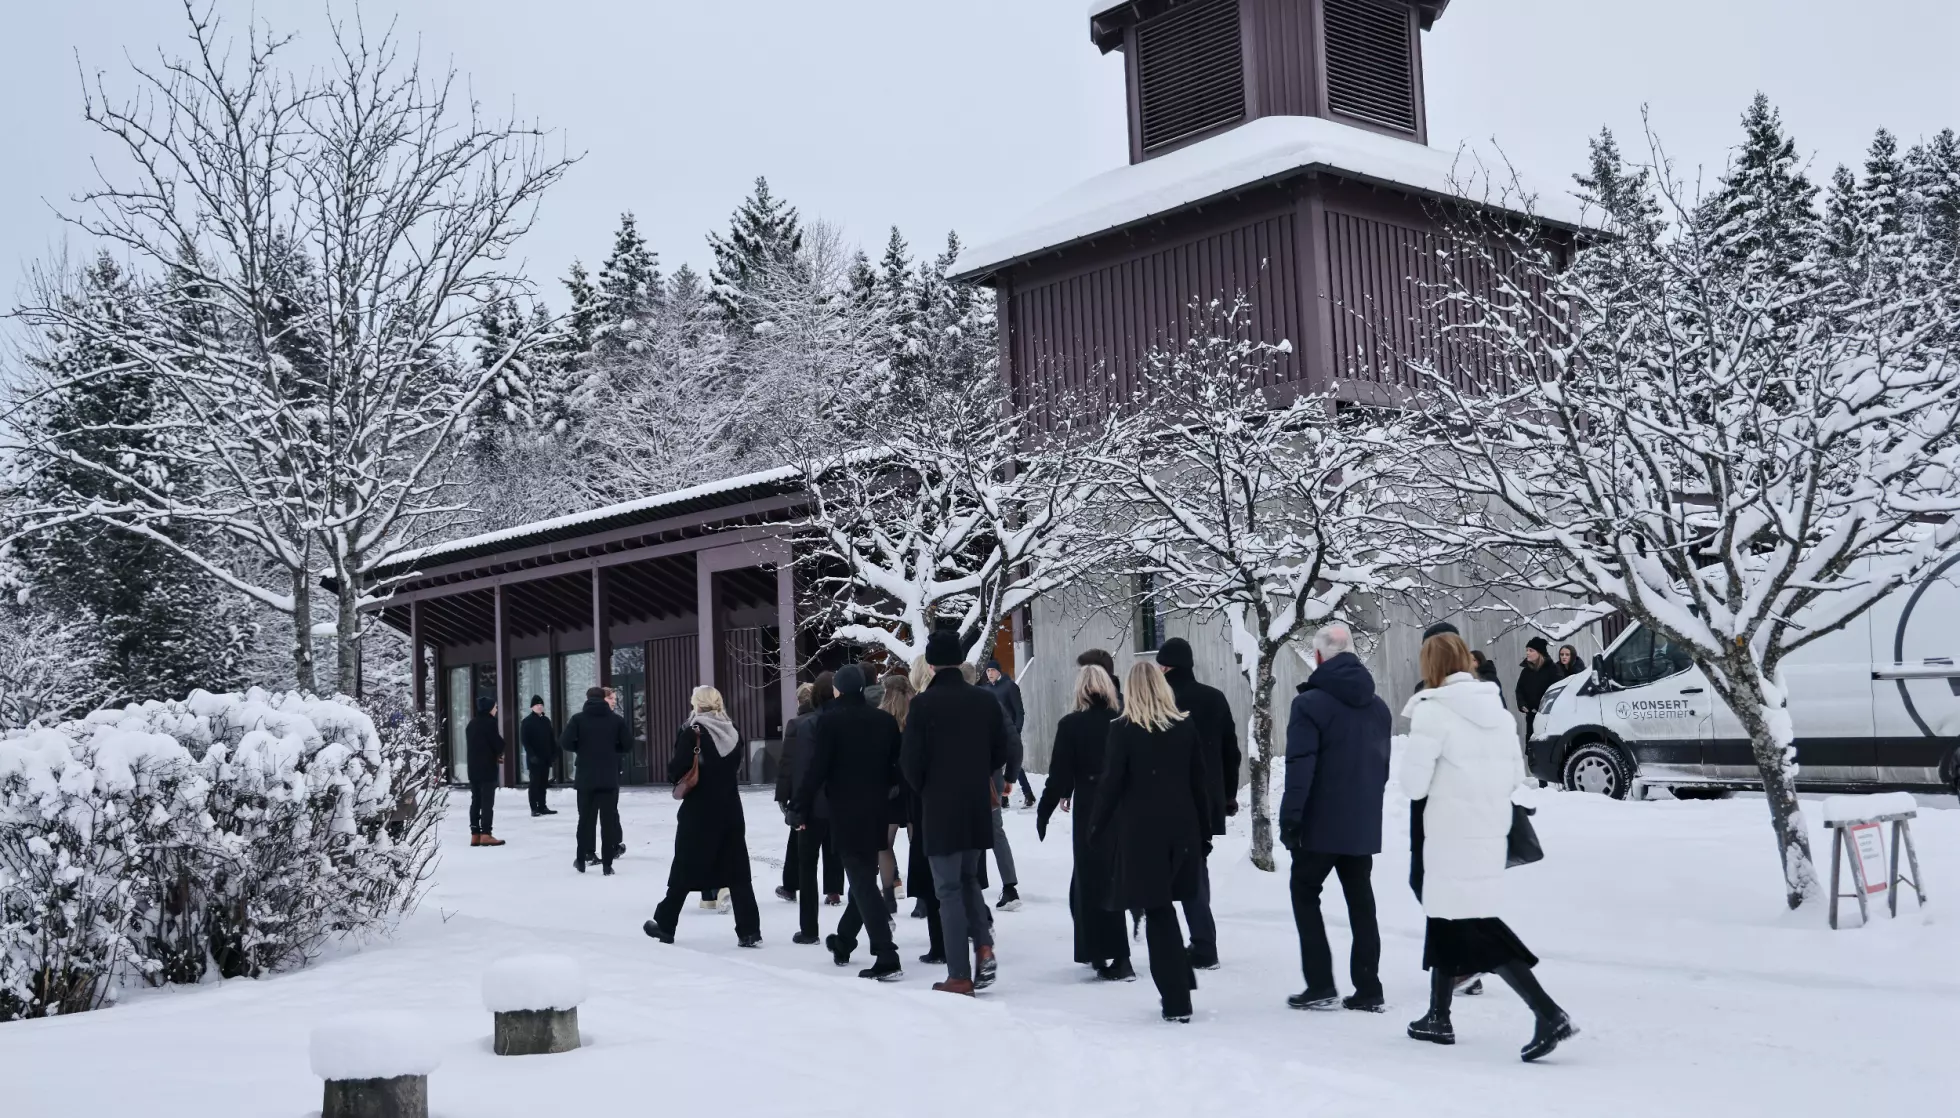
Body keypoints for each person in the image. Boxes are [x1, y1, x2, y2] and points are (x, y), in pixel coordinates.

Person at [1400, 633, 1578, 1062]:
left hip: (1445, 834)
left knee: (1474, 924)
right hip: (1485, 832)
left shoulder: (1432, 711)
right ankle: (1438, 1016)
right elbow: (1514, 776)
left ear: (1431, 666)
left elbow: (1413, 784)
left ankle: (1547, 1011)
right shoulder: (1496, 712)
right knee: (1448, 916)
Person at [1279, 623, 1391, 1012]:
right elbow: (1382, 768)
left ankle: (1321, 982)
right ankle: (1368, 986)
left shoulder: (1308, 704)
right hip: (1361, 822)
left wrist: (1291, 818)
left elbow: (1300, 766)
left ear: (1320, 657)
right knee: (1361, 902)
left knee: (1305, 893)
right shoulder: (1378, 707)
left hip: (1319, 824)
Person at [1091, 661, 1210, 1024]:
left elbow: (1112, 783)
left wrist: (1096, 827)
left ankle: (1175, 1000)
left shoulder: (1123, 731)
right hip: (1183, 828)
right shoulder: (1185, 726)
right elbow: (1198, 783)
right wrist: (1204, 832)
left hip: (1143, 833)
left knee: (1158, 912)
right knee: (1174, 904)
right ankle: (1181, 978)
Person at [901, 631, 1015, 995]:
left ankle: (959, 974)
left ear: (931, 664)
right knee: (968, 881)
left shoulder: (923, 705)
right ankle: (983, 945)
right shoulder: (983, 700)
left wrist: (928, 788)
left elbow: (910, 762)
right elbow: (1001, 750)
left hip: (940, 804)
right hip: (976, 803)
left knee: (947, 889)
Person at [793, 665, 906, 980]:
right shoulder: (883, 722)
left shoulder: (829, 722)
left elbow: (816, 769)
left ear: (837, 690)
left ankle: (887, 955)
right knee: (863, 878)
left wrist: (799, 806)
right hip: (877, 810)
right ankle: (844, 941)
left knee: (861, 880)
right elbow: (898, 765)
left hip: (845, 811)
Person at [1036, 663, 1132, 981]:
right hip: (1120, 805)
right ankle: (1111, 953)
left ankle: (1109, 954)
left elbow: (1060, 772)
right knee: (1108, 878)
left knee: (1092, 880)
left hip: (1091, 805)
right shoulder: (1123, 722)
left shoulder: (1071, 725)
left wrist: (1046, 808)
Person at [1152, 637, 1233, 970]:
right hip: (1207, 797)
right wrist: (1226, 795)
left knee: (1168, 874)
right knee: (1197, 869)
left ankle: (1189, 944)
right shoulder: (1213, 698)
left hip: (1169, 800)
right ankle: (1202, 939)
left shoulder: (1159, 700)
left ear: (1166, 666)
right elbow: (1231, 749)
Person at [782, 673, 845, 944]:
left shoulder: (803, 725)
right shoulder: (848, 722)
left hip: (813, 805)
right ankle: (836, 895)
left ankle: (809, 929)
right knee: (842, 857)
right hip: (843, 805)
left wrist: (794, 807)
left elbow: (796, 769)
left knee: (807, 865)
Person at [560, 686, 629, 873]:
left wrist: (581, 748)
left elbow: (565, 742)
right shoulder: (616, 720)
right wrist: (613, 751)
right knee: (608, 821)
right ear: (604, 699)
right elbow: (628, 745)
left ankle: (581, 860)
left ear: (588, 699)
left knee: (585, 820)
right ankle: (607, 865)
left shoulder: (578, 720)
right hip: (608, 777)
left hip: (586, 777)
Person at [877, 672, 915, 911]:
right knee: (918, 842)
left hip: (889, 787)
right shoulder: (917, 717)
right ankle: (923, 899)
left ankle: (889, 895)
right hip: (913, 785)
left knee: (884, 843)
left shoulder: (879, 719)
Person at [774, 682, 816, 903]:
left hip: (801, 790)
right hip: (826, 790)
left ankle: (791, 885)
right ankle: (834, 888)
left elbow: (787, 763)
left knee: (797, 838)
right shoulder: (826, 720)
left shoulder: (796, 724)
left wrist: (783, 794)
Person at [983, 658, 1035, 809]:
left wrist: (1016, 731)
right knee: (1001, 765)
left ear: (998, 671)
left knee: (1013, 764)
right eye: (987, 671)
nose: (990, 673)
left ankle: (1027, 794)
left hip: (1009, 732)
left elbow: (1019, 711)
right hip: (993, 734)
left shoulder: (1009, 686)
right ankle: (1004, 798)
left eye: (992, 670)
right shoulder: (986, 690)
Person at [465, 697, 506, 847]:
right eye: (495, 707)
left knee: (476, 800)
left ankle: (475, 834)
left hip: (473, 768)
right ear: (489, 708)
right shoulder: (490, 723)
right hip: (487, 768)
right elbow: (498, 744)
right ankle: (486, 834)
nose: (496, 710)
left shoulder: (472, 724)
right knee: (487, 801)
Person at [1515, 637, 1564, 743]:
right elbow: (1519, 690)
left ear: (1539, 653)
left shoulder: (1553, 670)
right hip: (1531, 718)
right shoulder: (1526, 672)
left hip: (1549, 718)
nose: (1527, 653)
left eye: (1531, 650)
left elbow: (1558, 691)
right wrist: (1522, 704)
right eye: (1527, 650)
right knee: (1532, 749)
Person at [520, 696, 558, 817]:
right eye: (537, 705)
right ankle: (534, 807)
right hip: (534, 758)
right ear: (532, 707)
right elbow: (525, 741)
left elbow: (551, 738)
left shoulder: (546, 720)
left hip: (545, 757)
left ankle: (542, 806)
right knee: (534, 783)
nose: (539, 706)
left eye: (541, 704)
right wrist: (531, 755)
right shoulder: (527, 721)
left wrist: (554, 752)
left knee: (543, 783)